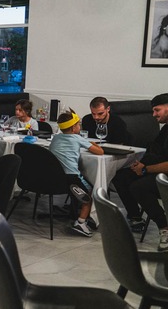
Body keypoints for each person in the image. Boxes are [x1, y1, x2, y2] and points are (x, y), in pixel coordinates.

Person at [111, 93, 168, 249]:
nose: (153, 115)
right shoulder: (166, 129)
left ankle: (164, 228)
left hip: (165, 176)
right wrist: (140, 165)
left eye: (157, 110)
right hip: (156, 170)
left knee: (139, 187)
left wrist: (146, 169)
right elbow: (155, 151)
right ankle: (135, 217)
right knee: (121, 177)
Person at [50, 109, 104, 237]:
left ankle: (77, 210)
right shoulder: (77, 138)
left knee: (82, 191)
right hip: (72, 176)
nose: (80, 126)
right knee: (88, 195)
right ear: (74, 127)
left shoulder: (56, 138)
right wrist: (91, 142)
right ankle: (81, 222)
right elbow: (100, 152)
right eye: (78, 124)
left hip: (56, 177)